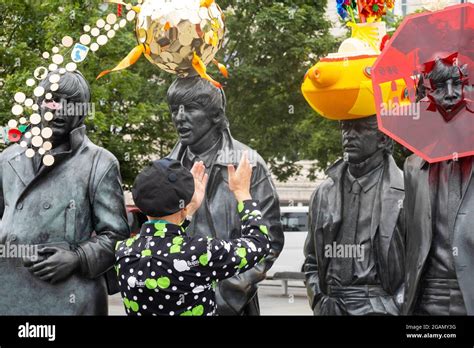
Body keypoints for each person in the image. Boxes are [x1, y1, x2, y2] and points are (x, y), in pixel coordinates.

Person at [0, 70, 130, 315]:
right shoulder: (8, 158)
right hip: (9, 292)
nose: (59, 108)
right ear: (38, 103)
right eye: (51, 99)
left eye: (70, 103)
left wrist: (78, 258)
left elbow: (117, 236)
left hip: (70, 297)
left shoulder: (99, 162)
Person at [166, 75, 284, 315]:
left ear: (214, 114)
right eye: (174, 109)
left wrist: (222, 297)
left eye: (190, 109)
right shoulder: (166, 168)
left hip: (230, 308)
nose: (179, 118)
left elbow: (268, 242)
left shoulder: (248, 164)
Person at [115, 153, 271, 316]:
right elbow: (259, 243)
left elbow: (165, 243)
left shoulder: (123, 251)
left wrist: (185, 213)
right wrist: (242, 193)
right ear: (182, 208)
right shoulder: (202, 251)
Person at [303, 116, 405, 315]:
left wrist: (395, 308)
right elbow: (311, 259)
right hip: (331, 305)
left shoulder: (406, 190)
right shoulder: (323, 192)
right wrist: (318, 299)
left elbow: (418, 264)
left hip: (380, 304)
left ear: (383, 139)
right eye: (345, 127)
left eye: (360, 128)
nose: (348, 135)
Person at [403, 57, 474, 315]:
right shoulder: (413, 168)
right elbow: (408, 240)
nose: (452, 94)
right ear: (426, 94)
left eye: (458, 83)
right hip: (426, 299)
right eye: (441, 86)